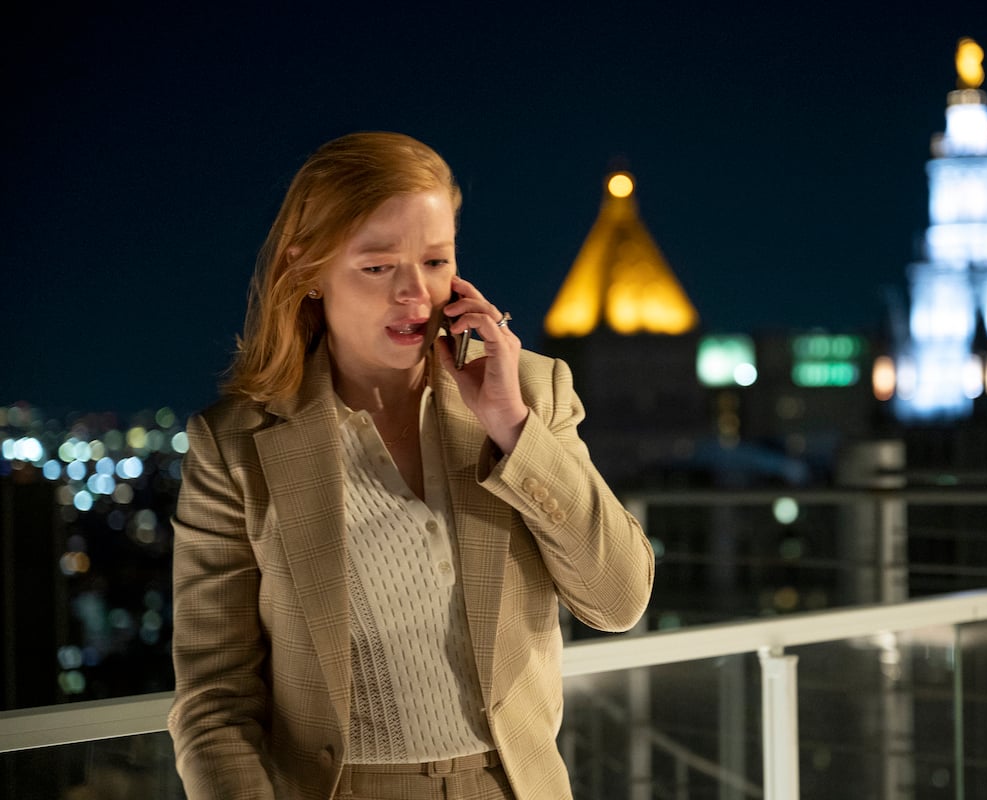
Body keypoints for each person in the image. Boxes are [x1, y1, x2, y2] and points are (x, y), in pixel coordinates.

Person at [168, 131, 655, 800]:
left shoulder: (532, 393)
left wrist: (511, 427)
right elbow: (213, 702)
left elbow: (618, 600)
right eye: (377, 266)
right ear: (307, 271)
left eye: (434, 261)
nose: (414, 293)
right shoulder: (234, 445)